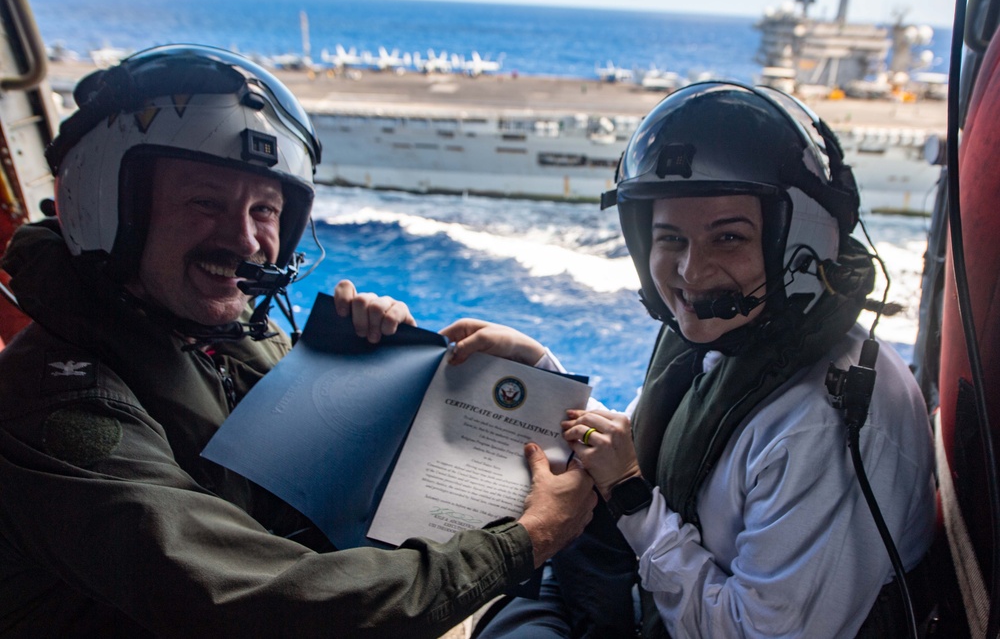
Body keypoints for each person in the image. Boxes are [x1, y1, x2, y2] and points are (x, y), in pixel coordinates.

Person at [0, 44, 596, 637]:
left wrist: (374, 368)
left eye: (265, 211)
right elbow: (269, 606)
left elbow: (305, 495)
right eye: (205, 202)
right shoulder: (61, 408)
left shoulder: (207, 334)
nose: (245, 240)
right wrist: (524, 543)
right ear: (108, 207)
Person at [452, 82, 937, 638]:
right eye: (669, 238)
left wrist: (632, 497)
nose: (689, 271)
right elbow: (641, 445)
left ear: (800, 239)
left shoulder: (820, 424)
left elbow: (753, 633)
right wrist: (542, 374)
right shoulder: (728, 339)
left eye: (728, 237)